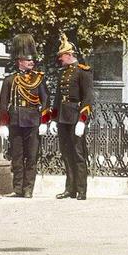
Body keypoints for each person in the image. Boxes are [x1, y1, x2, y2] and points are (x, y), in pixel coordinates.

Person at [0, 33, 50, 199]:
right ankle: (18, 189)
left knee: (32, 157)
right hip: (15, 121)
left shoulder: (39, 79)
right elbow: (3, 104)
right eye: (28, 60)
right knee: (17, 156)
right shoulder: (10, 80)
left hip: (33, 121)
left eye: (32, 61)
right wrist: (3, 124)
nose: (31, 63)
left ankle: (28, 189)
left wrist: (44, 121)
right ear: (20, 61)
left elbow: (46, 100)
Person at [49, 32, 94, 200]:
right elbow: (57, 98)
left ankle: (81, 190)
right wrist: (54, 120)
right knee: (66, 154)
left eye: (61, 56)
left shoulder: (83, 72)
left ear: (69, 55)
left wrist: (82, 121)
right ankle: (70, 189)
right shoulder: (63, 73)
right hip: (63, 118)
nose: (60, 59)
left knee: (78, 154)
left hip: (75, 117)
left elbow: (87, 98)